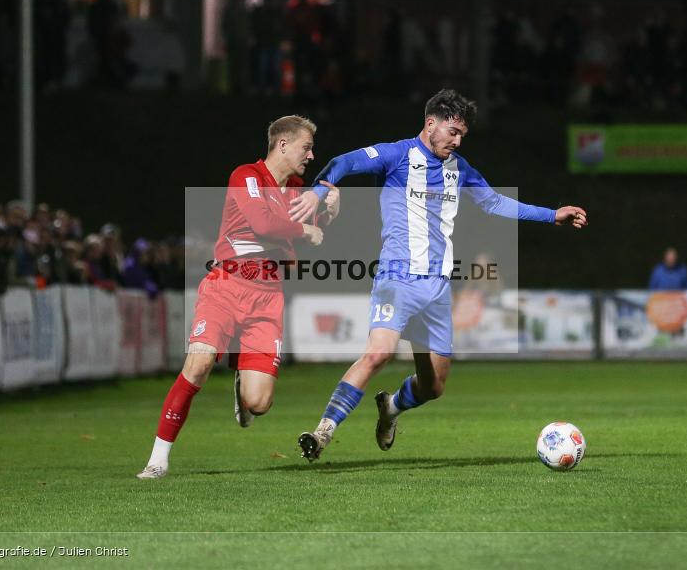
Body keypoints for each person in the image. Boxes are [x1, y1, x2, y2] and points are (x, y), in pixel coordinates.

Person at [288, 89, 587, 461]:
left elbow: (494, 202)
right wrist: (317, 192)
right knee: (378, 353)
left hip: (438, 289)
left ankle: (391, 407)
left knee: (434, 386)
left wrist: (551, 215)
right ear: (431, 124)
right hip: (397, 278)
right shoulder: (397, 155)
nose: (457, 141)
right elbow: (343, 162)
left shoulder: (460, 169)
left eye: (462, 134)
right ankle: (323, 432)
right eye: (453, 132)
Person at [136, 116, 339, 479]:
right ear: (282, 145)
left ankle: (243, 382)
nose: (311, 155)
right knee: (198, 365)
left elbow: (309, 234)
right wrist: (305, 230)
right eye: (306, 147)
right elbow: (264, 225)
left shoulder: (297, 190)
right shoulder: (247, 175)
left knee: (259, 403)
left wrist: (329, 216)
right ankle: (157, 460)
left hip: (268, 296)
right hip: (226, 286)